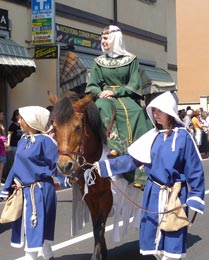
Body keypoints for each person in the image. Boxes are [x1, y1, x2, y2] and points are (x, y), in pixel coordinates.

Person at [93, 91, 205, 260]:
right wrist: (103, 166)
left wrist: (195, 196)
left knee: (173, 241)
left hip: (174, 195)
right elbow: (130, 161)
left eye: (159, 110)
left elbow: (195, 170)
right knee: (155, 242)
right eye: (153, 111)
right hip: (153, 194)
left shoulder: (183, 138)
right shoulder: (152, 137)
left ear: (169, 111)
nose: (155, 114)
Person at [85, 25, 152, 186]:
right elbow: (91, 85)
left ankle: (140, 169)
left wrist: (117, 92)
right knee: (101, 105)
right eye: (101, 38)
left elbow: (134, 83)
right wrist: (100, 92)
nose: (103, 41)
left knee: (137, 112)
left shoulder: (131, 60)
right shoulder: (99, 62)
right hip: (105, 98)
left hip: (126, 97)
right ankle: (114, 145)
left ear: (115, 38)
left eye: (106, 38)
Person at [0, 106, 58, 260]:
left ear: (32, 121)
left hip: (40, 189)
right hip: (24, 190)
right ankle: (48, 255)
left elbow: (55, 165)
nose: (19, 121)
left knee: (35, 225)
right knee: (30, 225)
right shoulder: (23, 140)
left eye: (22, 118)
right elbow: (16, 165)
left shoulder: (47, 142)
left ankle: (30, 256)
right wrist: (6, 188)